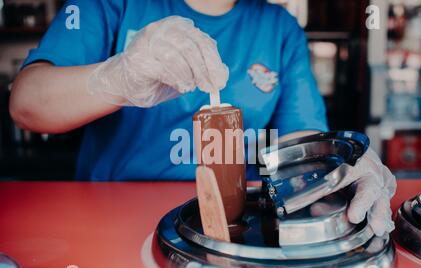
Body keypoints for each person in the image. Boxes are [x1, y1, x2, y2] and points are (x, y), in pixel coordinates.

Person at [9, 0, 396, 236]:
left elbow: (297, 139)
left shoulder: (279, 27)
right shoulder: (111, 3)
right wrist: (116, 76)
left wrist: (335, 160)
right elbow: (26, 103)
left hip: (232, 227)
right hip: (106, 223)